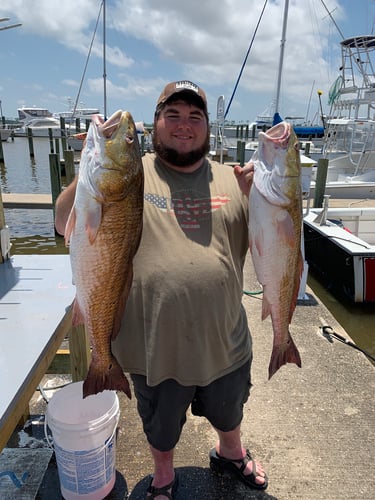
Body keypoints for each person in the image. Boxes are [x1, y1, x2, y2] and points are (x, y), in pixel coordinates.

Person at [55, 80, 268, 499]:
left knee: (229, 409)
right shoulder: (135, 171)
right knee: (160, 422)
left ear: (208, 127)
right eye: (173, 115)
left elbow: (275, 242)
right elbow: (65, 222)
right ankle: (164, 476)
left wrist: (262, 195)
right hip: (152, 344)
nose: (184, 125)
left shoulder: (236, 179)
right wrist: (87, 172)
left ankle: (231, 452)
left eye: (195, 117)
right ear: (156, 124)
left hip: (223, 338)